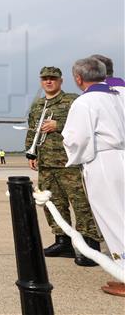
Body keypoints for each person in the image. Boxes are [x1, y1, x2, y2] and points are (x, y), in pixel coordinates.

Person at [25, 66, 102, 265]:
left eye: (52, 78)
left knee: (80, 203)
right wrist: (31, 152)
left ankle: (90, 245)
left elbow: (85, 124)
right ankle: (63, 240)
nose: (48, 82)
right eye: (45, 79)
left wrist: (58, 125)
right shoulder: (37, 105)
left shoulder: (73, 101)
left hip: (70, 162)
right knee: (53, 204)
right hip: (46, 163)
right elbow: (32, 130)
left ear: (60, 81)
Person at [62, 57, 125, 297]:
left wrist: (74, 157)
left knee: (114, 218)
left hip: (104, 163)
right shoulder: (118, 96)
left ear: (78, 78)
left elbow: (78, 139)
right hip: (122, 157)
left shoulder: (85, 101)